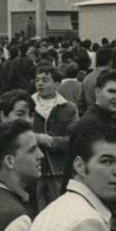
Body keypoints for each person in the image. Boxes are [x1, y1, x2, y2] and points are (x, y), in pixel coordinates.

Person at [31, 64, 78, 211]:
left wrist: (50, 141)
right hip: (33, 170)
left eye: (45, 80)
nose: (39, 83)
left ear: (57, 84)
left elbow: (73, 139)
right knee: (36, 211)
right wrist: (34, 138)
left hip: (58, 169)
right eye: (37, 80)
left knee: (58, 210)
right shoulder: (28, 105)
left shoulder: (68, 108)